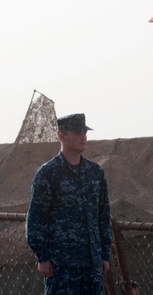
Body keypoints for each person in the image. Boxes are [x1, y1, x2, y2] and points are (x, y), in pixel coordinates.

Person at [26, 113, 112, 295]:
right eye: (77, 132)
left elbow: (103, 217)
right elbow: (36, 219)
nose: (83, 136)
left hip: (92, 265)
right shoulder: (48, 173)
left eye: (84, 132)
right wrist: (42, 257)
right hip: (62, 266)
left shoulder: (95, 173)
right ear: (62, 136)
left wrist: (104, 255)